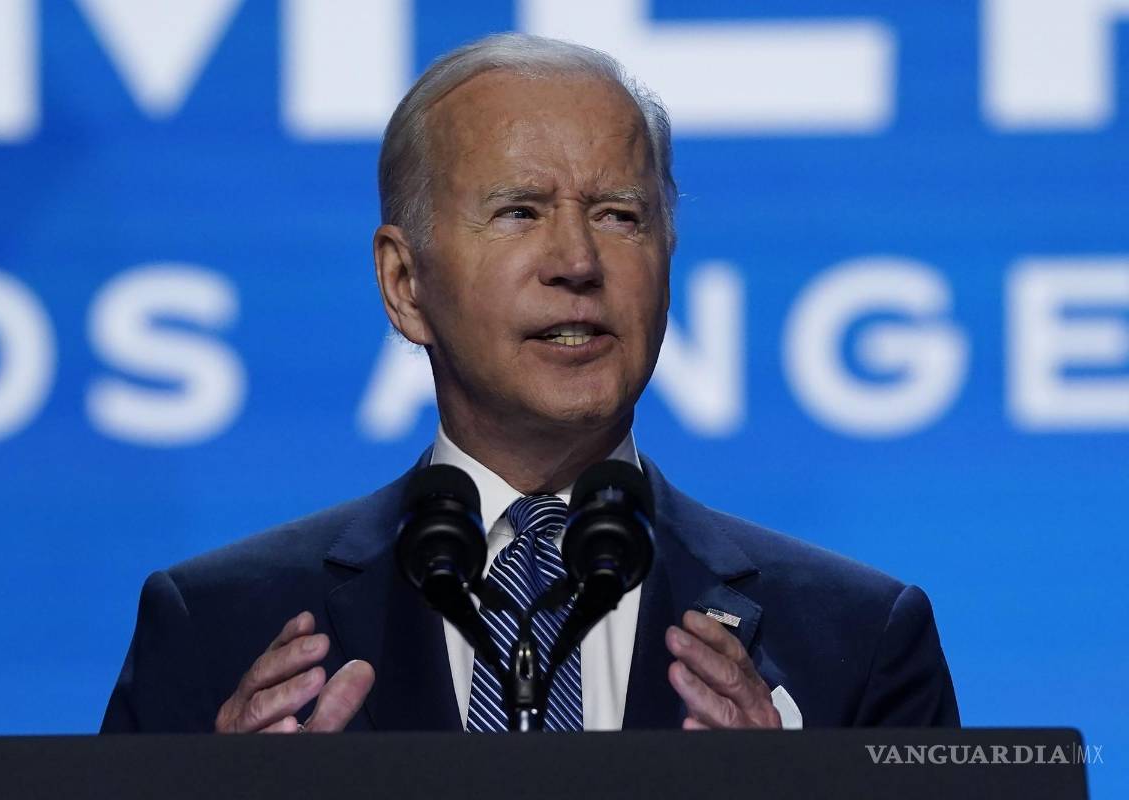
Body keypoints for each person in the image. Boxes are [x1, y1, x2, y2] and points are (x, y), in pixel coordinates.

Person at [101, 33, 958, 735]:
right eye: (520, 212)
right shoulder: (215, 631)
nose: (579, 263)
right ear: (405, 285)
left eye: (620, 214)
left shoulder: (859, 641)